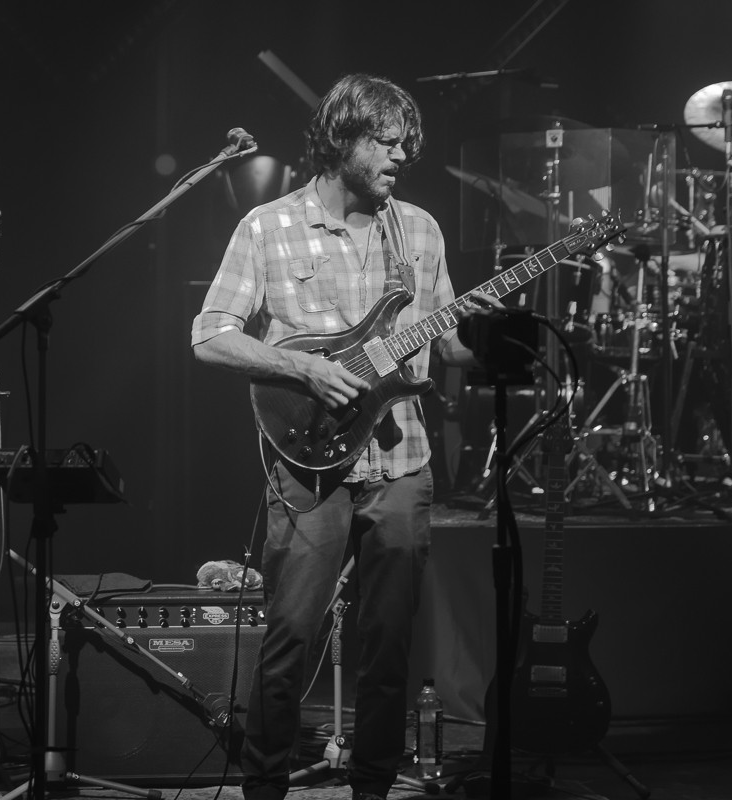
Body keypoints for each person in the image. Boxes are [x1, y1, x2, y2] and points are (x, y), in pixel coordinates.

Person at [190, 73, 481, 800]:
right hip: (310, 465)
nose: (401, 155)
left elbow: (449, 344)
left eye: (407, 143)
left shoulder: (418, 230)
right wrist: (305, 369)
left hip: (402, 461)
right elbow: (210, 335)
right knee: (290, 637)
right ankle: (264, 787)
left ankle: (373, 788)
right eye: (386, 141)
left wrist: (497, 333)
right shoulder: (267, 228)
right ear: (342, 137)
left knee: (390, 647)